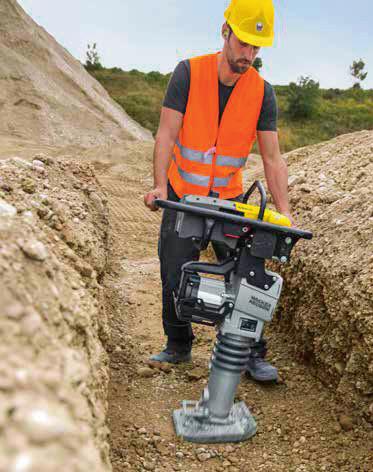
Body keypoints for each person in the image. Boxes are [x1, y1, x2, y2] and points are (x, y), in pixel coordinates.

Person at [144, 0, 292, 382]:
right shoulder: (188, 73)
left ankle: (249, 352)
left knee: (248, 273)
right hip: (183, 194)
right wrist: (160, 186)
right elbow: (166, 133)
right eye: (243, 43)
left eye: (257, 48)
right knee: (174, 269)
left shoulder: (262, 92)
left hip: (228, 199)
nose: (249, 55)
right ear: (225, 31)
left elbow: (273, 159)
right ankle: (178, 345)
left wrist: (283, 212)